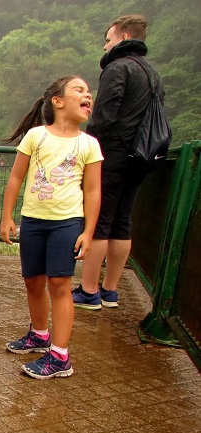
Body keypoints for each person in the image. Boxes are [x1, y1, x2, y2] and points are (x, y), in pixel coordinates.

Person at [0, 76, 103, 380]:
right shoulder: (36, 136)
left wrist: (88, 231)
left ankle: (60, 356)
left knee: (59, 285)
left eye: (88, 92)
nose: (88, 95)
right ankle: (39, 335)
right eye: (79, 90)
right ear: (57, 101)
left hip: (67, 223)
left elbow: (94, 191)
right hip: (33, 220)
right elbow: (16, 178)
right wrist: (8, 216)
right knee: (32, 280)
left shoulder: (88, 144)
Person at [72, 14, 164, 311]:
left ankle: (88, 291)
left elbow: (104, 116)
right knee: (122, 222)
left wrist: (89, 149)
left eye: (108, 40)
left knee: (99, 222)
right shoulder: (151, 72)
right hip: (141, 157)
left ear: (124, 38)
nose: (104, 48)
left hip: (112, 156)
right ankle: (110, 290)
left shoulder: (119, 67)